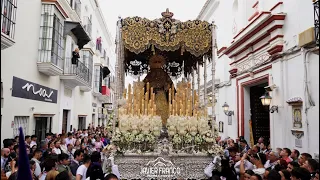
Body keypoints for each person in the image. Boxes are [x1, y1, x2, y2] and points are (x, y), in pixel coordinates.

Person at [143, 54, 175, 125]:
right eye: (155, 62)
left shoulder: (164, 74)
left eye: (159, 62)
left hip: (162, 95)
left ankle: (164, 123)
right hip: (152, 96)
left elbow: (171, 86)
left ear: (162, 63)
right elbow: (144, 86)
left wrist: (167, 86)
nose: (157, 64)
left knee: (163, 110)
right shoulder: (150, 74)